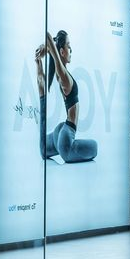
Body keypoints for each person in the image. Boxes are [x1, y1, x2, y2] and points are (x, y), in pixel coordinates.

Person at [35, 29, 98, 164]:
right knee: (95, 147)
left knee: (43, 150)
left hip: (60, 132)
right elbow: (48, 37)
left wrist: (39, 61)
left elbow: (43, 78)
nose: (71, 50)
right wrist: (48, 48)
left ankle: (44, 146)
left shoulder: (61, 77)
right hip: (66, 140)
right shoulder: (64, 78)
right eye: (68, 46)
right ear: (62, 52)